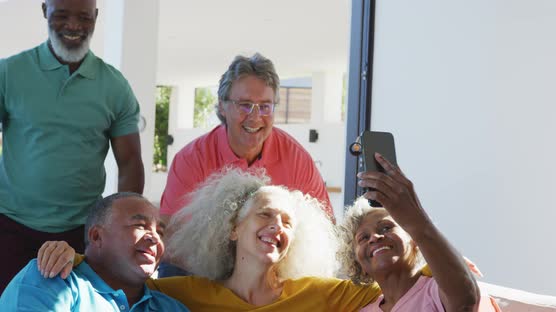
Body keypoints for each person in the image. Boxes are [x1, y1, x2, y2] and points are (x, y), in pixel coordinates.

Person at [40, 168, 381, 311]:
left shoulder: (319, 293)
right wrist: (73, 255)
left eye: (288, 222)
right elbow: (115, 276)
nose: (277, 226)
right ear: (233, 227)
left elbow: (407, 290)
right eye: (265, 214)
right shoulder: (186, 294)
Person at [0, 0, 144, 293]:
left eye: (84, 17)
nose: (74, 26)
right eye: (62, 15)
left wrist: (117, 228)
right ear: (44, 11)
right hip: (11, 226)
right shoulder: (9, 74)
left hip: (82, 232)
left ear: (96, 16)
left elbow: (130, 163)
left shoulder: (114, 86)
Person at [158, 52, 333, 277]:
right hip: (204, 274)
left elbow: (323, 233)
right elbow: (173, 240)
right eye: (245, 105)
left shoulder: (297, 159)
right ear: (222, 106)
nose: (255, 116)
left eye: (265, 106)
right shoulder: (191, 159)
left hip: (273, 274)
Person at [338, 153, 499, 311]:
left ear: (413, 238)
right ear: (357, 263)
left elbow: (466, 301)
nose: (374, 237)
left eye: (386, 227)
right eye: (363, 238)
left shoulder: (438, 291)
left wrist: (418, 220)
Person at [0, 193, 188, 311]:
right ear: (97, 236)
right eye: (140, 225)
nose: (154, 237)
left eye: (161, 232)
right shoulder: (50, 276)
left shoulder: (171, 307)